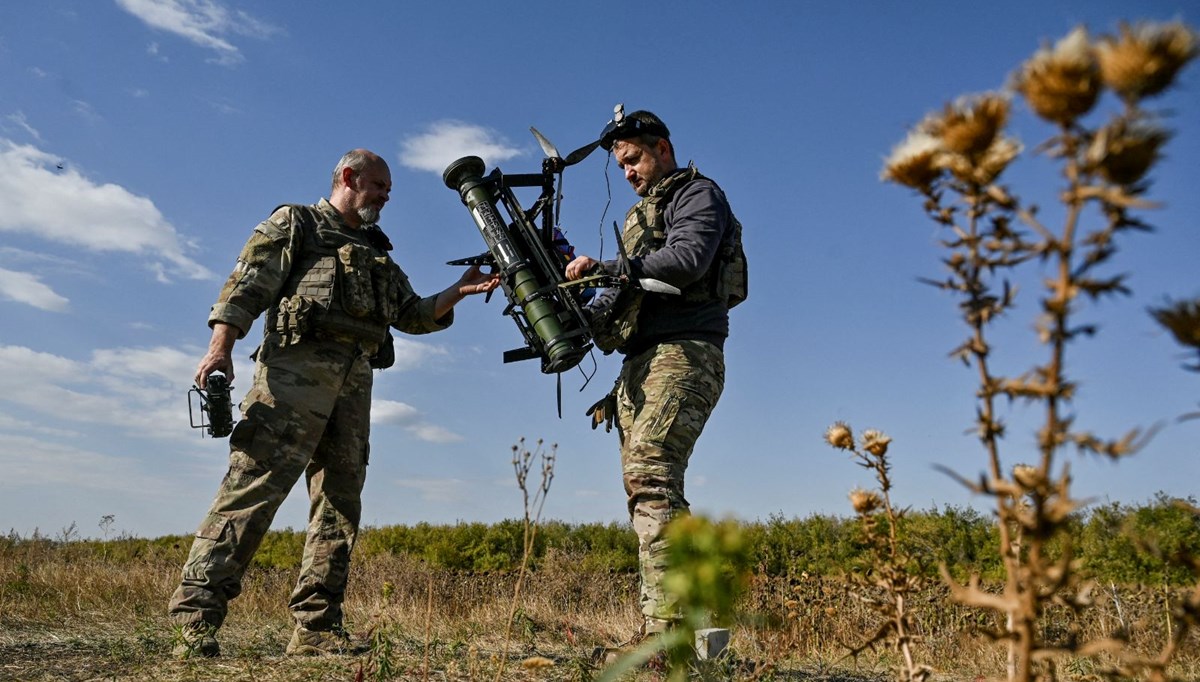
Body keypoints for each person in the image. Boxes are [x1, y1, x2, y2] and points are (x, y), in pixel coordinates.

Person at [168, 149, 498, 658]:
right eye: (380, 185)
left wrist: (458, 291)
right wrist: (220, 349)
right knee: (250, 494)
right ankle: (194, 619)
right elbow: (246, 285)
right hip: (290, 385)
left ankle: (317, 630)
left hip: (352, 393)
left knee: (339, 509)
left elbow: (411, 314)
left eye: (388, 189)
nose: (387, 196)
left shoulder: (378, 253)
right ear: (349, 177)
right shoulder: (297, 223)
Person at [564, 109, 746, 640]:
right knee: (649, 488)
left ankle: (668, 635)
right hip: (641, 363)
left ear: (662, 148)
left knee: (652, 478)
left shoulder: (697, 195)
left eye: (634, 159)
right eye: (620, 165)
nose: (628, 173)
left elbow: (688, 260)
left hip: (685, 351)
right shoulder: (638, 218)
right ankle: (686, 627)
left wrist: (607, 268)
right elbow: (621, 295)